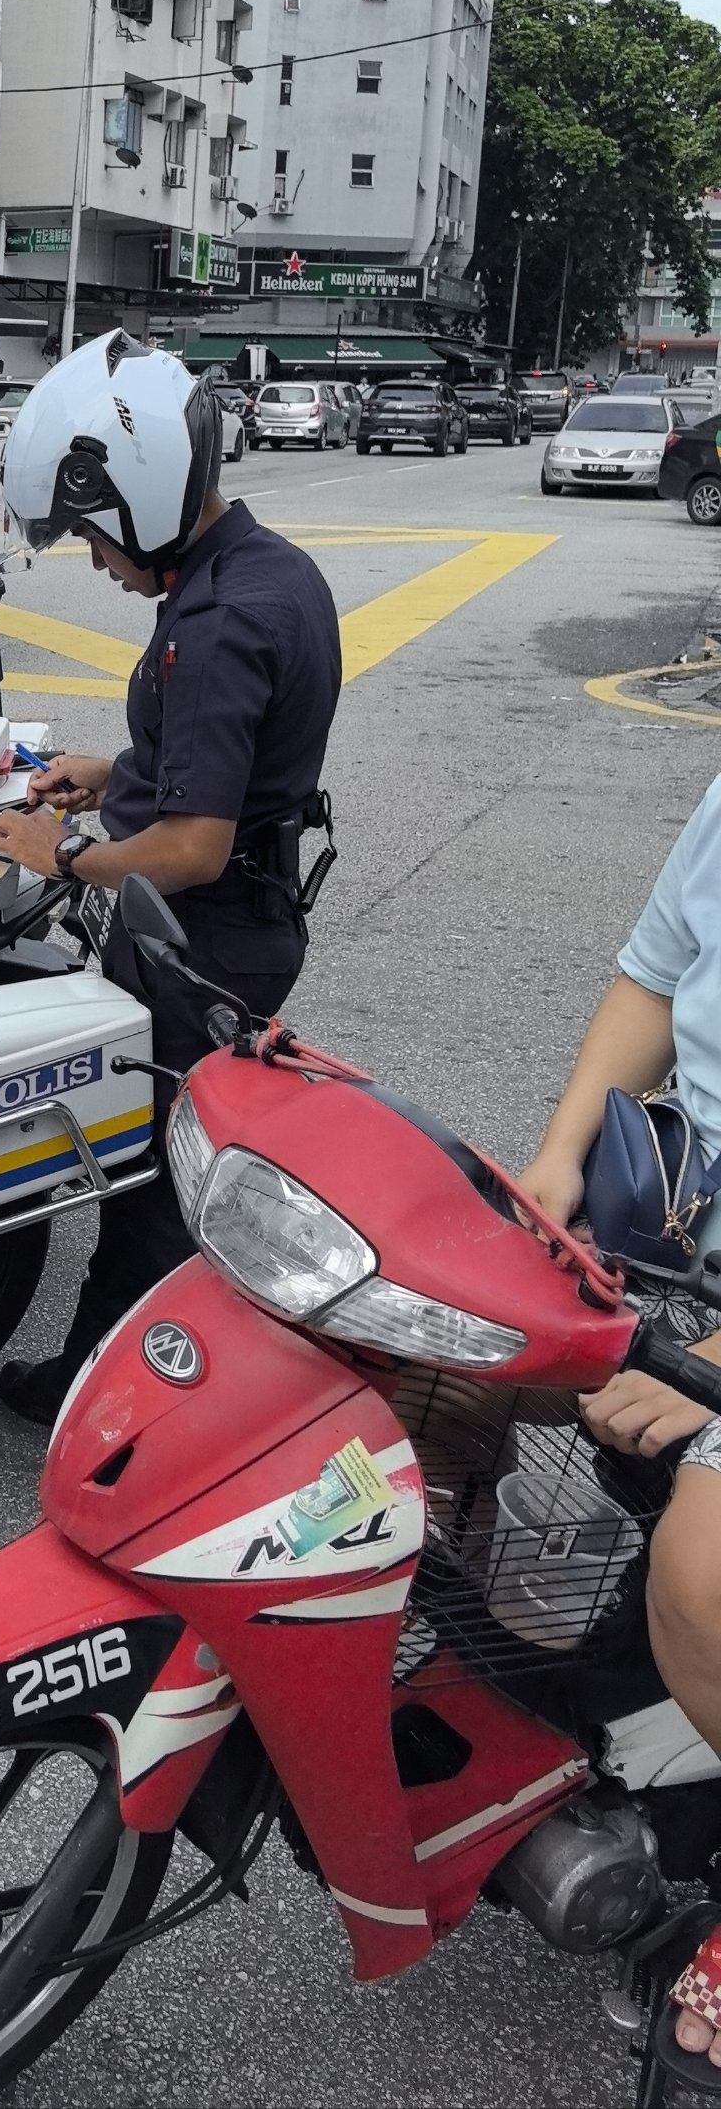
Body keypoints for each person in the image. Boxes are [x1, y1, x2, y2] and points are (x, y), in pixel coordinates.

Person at [0, 333, 343, 1425]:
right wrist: (116, 770)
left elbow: (191, 844)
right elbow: (222, 767)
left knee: (148, 1185)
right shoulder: (263, 568)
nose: (93, 557)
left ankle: (101, 1400)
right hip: (239, 914)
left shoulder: (218, 621)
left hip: (205, 932)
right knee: (172, 1162)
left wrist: (67, 854)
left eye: (90, 531)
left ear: (131, 495)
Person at [515, 778, 721, 2070]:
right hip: (689, 1208)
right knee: (432, 1351)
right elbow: (654, 975)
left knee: (701, 1573)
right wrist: (556, 1157)